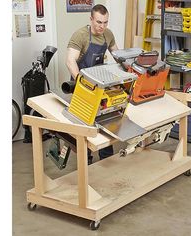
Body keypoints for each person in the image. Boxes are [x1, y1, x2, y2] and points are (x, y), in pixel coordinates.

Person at [66, 4, 118, 165]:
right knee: (85, 125)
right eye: (99, 22)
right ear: (91, 19)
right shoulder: (80, 35)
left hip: (100, 83)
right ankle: (85, 161)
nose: (102, 26)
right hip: (83, 85)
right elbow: (70, 60)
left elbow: (117, 56)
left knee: (106, 119)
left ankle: (107, 159)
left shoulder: (107, 35)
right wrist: (80, 82)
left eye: (105, 22)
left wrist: (127, 70)